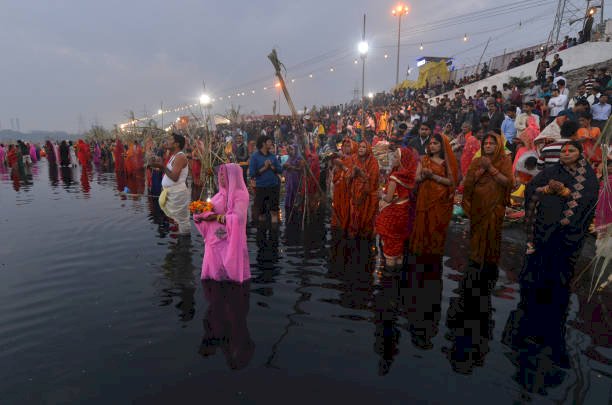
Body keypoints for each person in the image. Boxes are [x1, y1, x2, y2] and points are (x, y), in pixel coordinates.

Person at [510, 141, 598, 368]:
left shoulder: (586, 177)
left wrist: (567, 193)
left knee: (558, 282)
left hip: (566, 238)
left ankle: (552, 327)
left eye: (572, 150)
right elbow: (532, 189)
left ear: (580, 154)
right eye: (564, 150)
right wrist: (547, 189)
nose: (566, 153)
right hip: (542, 233)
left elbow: (586, 202)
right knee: (536, 277)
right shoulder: (551, 171)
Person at [462, 133, 514, 270]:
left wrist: (490, 168)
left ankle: (490, 262)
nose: (488, 145)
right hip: (478, 204)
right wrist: (481, 170)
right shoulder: (476, 161)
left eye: (492, 143)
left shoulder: (504, 160)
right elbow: (468, 184)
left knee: (492, 232)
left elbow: (508, 182)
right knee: (477, 232)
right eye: (485, 143)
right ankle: (475, 258)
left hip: (495, 205)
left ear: (498, 146)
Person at [194, 163, 250, 283]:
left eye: (224, 175)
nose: (221, 178)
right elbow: (209, 208)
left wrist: (215, 217)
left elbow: (238, 218)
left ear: (233, 176)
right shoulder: (220, 194)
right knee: (214, 278)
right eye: (220, 175)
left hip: (230, 239)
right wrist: (200, 212)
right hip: (215, 239)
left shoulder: (240, 195)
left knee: (230, 278)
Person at [410, 134, 458, 264]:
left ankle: (433, 255)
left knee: (435, 226)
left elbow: (451, 182)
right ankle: (421, 254)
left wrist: (434, 177)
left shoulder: (446, 162)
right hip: (424, 197)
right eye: (430, 144)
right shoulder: (424, 159)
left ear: (442, 146)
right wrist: (425, 176)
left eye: (435, 143)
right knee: (423, 224)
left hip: (440, 200)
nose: (432, 146)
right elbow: (417, 178)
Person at [375, 146, 420, 270]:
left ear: (401, 160)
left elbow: (389, 198)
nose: (392, 158)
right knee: (399, 246)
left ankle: (388, 278)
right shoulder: (409, 176)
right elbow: (401, 195)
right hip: (404, 211)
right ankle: (398, 278)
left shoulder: (395, 177)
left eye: (395, 156)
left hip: (393, 214)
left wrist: (380, 194)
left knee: (389, 246)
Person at [150, 133, 191, 235]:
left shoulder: (180, 157)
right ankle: (179, 244)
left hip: (178, 193)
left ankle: (185, 246)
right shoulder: (174, 156)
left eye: (170, 139)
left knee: (183, 223)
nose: (167, 141)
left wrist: (162, 167)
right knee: (178, 221)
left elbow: (174, 177)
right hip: (173, 193)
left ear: (176, 144)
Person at [347, 141, 379, 239]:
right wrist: (353, 174)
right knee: (354, 215)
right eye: (360, 147)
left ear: (368, 149)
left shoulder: (373, 162)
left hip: (367, 196)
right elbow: (348, 176)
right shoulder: (354, 159)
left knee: (366, 218)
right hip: (355, 193)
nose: (360, 149)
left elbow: (373, 181)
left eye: (364, 147)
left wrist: (360, 173)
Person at [249, 135, 282, 224]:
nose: (271, 143)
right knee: (261, 214)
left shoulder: (272, 156)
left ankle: (274, 234)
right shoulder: (254, 157)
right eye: (269, 141)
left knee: (274, 212)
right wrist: (265, 167)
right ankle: (261, 233)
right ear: (264, 143)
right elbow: (252, 174)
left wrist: (272, 167)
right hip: (261, 187)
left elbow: (280, 170)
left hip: (273, 186)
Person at [331, 137, 356, 234]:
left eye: (348, 146)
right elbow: (334, 177)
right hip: (338, 190)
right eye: (344, 146)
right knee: (337, 209)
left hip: (348, 191)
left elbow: (352, 175)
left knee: (346, 211)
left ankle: (345, 227)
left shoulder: (354, 159)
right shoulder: (339, 158)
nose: (346, 148)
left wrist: (342, 165)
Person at [282, 144, 303, 221]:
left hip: (296, 180)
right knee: (288, 194)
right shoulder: (289, 158)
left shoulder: (299, 158)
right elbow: (284, 168)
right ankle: (288, 209)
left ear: (295, 150)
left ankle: (295, 213)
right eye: (289, 150)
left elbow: (301, 169)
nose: (290, 151)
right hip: (289, 180)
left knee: (296, 195)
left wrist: (292, 167)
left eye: (291, 149)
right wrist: (285, 166)